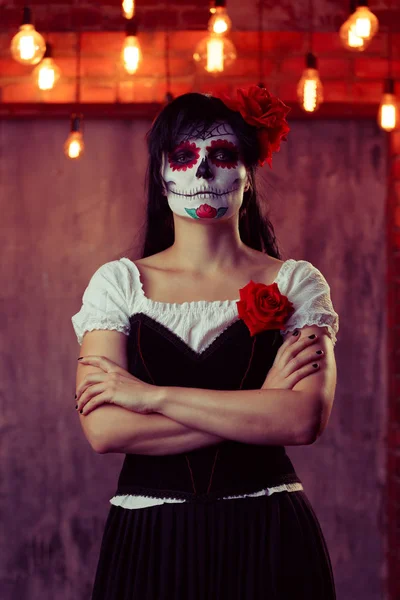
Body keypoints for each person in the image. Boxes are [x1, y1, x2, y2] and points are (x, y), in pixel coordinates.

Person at [71, 85, 339, 599]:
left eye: (220, 155)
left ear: (248, 171)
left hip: (270, 535)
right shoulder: (118, 284)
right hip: (149, 538)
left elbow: (302, 420)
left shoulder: (297, 282)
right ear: (161, 172)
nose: (201, 173)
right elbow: (104, 429)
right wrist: (259, 410)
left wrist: (150, 398)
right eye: (183, 156)